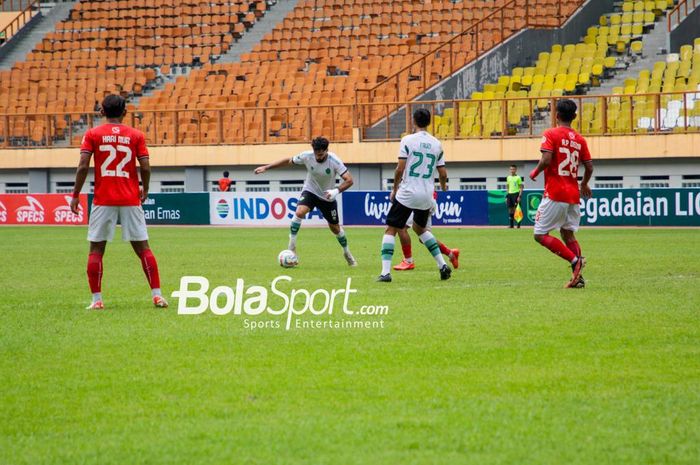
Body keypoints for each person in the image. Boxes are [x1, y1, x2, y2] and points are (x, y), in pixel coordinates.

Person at [70, 94, 168, 310]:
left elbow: (83, 166)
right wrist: (146, 188)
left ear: (102, 112)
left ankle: (97, 300)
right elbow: (146, 167)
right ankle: (157, 296)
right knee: (143, 248)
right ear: (125, 112)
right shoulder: (136, 135)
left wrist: (76, 194)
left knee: (96, 249)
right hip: (130, 199)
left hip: (103, 199)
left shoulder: (92, 134)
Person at [254, 137, 357, 266]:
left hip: (328, 196)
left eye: (321, 154)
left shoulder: (334, 160)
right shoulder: (307, 156)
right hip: (311, 191)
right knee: (299, 212)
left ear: (326, 150)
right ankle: (291, 247)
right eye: (316, 153)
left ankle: (347, 252)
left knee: (335, 228)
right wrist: (266, 167)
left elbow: (349, 180)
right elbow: (288, 160)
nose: (318, 157)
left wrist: (335, 191)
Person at [378, 108, 451, 282]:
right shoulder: (436, 144)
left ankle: (385, 273)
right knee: (419, 229)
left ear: (413, 121)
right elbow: (443, 174)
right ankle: (442, 265)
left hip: (408, 192)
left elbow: (400, 169)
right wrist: (442, 187)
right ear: (429, 122)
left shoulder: (407, 140)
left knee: (391, 228)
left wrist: (395, 189)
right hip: (426, 195)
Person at [530, 99, 593, 288]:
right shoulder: (580, 139)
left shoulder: (550, 133)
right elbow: (589, 167)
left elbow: (547, 159)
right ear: (574, 116)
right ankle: (578, 277)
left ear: (556, 115)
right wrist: (584, 184)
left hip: (556, 193)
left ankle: (575, 261)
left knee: (540, 234)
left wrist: (535, 172)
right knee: (568, 234)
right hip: (573, 194)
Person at [393, 190, 460, 271]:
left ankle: (408, 261)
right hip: (429, 199)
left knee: (401, 226)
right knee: (424, 236)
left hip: (417, 199)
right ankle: (451, 254)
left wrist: (396, 190)